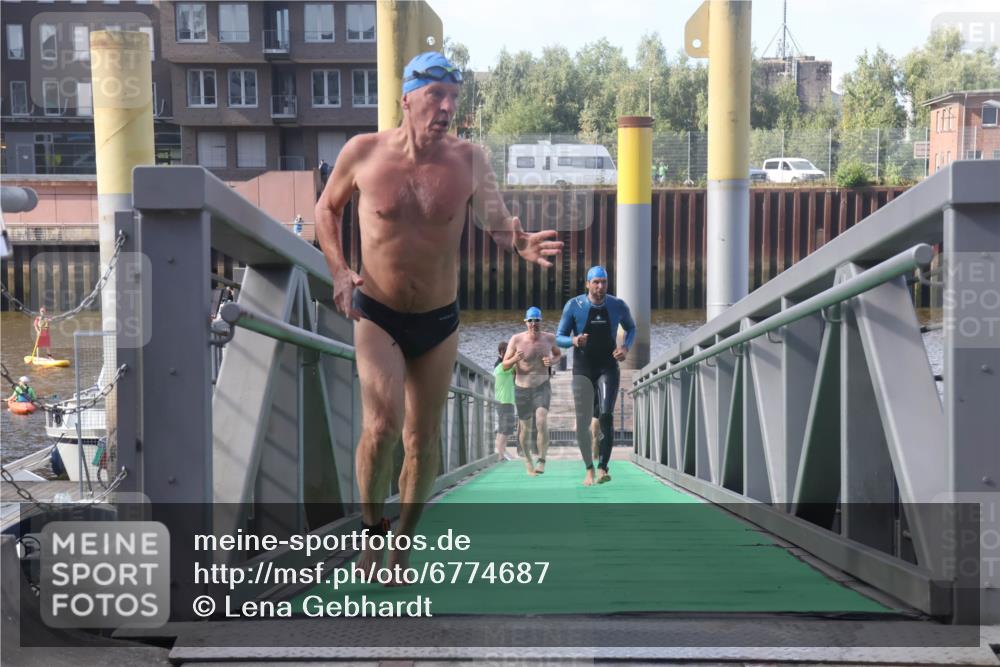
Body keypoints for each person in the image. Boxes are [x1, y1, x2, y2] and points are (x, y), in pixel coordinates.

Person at [314, 51, 562, 578]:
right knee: (381, 427)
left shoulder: (469, 160)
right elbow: (326, 208)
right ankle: (372, 529)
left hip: (438, 319)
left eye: (454, 97)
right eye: (436, 96)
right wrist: (338, 270)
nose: (448, 107)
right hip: (377, 311)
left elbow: (497, 223)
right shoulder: (363, 152)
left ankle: (403, 540)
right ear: (407, 98)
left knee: (421, 440)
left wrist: (518, 243)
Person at [557, 266, 635, 486]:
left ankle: (602, 467)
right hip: (583, 369)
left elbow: (631, 328)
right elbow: (559, 336)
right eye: (596, 282)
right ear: (587, 284)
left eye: (604, 282)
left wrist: (625, 348)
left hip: (607, 367)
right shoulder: (574, 306)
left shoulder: (617, 305)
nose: (600, 286)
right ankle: (588, 469)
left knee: (606, 415)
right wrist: (573, 341)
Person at [503, 307, 561, 475]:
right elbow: (505, 365)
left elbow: (558, 355)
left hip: (542, 386)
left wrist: (552, 361)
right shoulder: (516, 340)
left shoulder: (549, 338)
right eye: (530, 321)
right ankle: (528, 459)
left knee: (541, 421)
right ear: (526, 322)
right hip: (522, 389)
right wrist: (515, 359)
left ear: (541, 321)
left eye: (537, 320)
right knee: (525, 428)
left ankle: (541, 460)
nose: (534, 324)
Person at [493, 341, 517, 462]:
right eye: (508, 353)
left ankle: (501, 453)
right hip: (504, 401)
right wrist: (517, 357)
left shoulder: (504, 366)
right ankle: (500, 455)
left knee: (504, 429)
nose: (511, 355)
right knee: (504, 429)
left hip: (506, 401)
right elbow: (515, 366)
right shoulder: (502, 366)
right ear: (502, 353)